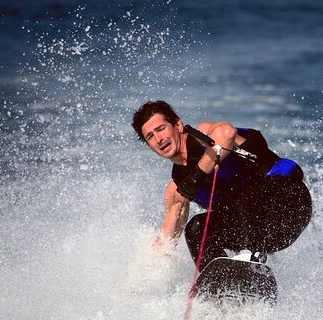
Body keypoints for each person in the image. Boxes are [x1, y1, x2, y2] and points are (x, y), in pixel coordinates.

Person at [132, 100, 312, 270]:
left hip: (289, 205)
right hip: (264, 234)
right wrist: (145, 271)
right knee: (196, 229)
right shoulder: (177, 190)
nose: (159, 138)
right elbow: (166, 242)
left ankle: (249, 257)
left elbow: (226, 133)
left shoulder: (203, 135)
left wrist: (198, 175)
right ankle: (221, 283)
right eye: (150, 136)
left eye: (161, 129)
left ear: (178, 125)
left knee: (239, 190)